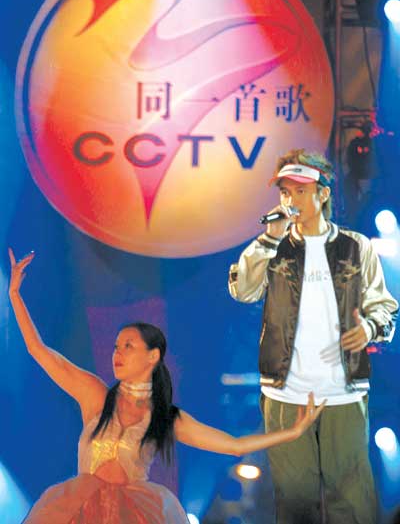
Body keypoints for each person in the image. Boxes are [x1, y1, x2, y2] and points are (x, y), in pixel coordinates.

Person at [8, 248, 324, 524]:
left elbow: (234, 445)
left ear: (153, 356)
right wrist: (15, 296)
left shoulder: (164, 417)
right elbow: (39, 351)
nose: (117, 354)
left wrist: (293, 431)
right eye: (116, 347)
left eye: (128, 346)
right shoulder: (95, 395)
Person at [228, 149, 398, 524]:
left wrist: (369, 328)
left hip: (344, 391)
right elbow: (243, 291)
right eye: (285, 192)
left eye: (300, 191)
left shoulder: (357, 246)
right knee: (294, 504)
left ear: (323, 194)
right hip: (285, 393)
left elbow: (385, 307)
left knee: (351, 502)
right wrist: (267, 241)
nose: (291, 200)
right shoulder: (272, 248)